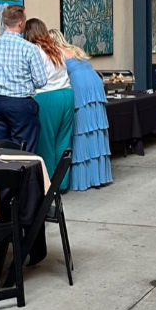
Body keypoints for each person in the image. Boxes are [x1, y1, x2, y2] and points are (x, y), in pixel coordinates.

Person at [0, 5, 47, 153]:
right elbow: (41, 81)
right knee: (25, 151)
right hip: (21, 104)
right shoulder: (30, 49)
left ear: (3, 22)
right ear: (21, 23)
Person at [50, 29, 113, 191]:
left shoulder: (57, 52)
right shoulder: (75, 49)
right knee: (96, 129)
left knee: (81, 130)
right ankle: (99, 176)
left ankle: (84, 178)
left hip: (79, 85)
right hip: (95, 84)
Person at [24, 18, 74, 187]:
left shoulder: (35, 51)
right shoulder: (57, 49)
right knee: (63, 141)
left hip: (47, 96)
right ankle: (61, 183)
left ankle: (48, 185)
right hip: (67, 94)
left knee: (46, 142)